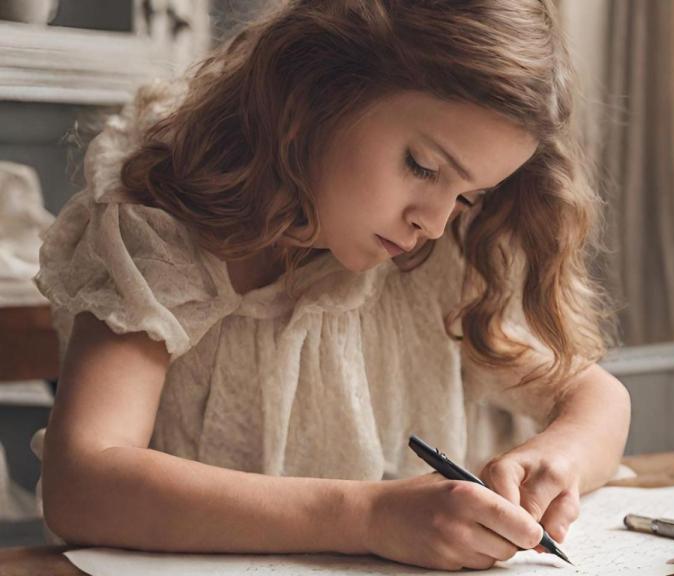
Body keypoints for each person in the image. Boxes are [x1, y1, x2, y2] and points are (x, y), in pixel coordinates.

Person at [33, 0, 631, 570]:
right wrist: (367, 516)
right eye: (422, 167)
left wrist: (560, 458)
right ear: (315, 95)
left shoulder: (437, 255)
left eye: (470, 194)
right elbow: (83, 482)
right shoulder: (165, 231)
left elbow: (597, 397)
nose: (435, 220)